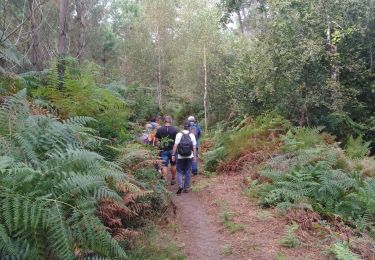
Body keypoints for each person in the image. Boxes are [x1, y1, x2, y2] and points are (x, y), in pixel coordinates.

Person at [172, 120, 197, 194]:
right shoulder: (192, 135)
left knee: (179, 171)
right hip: (190, 156)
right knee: (188, 171)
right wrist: (195, 156)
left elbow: (175, 146)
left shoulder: (179, 134)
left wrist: (173, 155)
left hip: (180, 156)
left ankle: (180, 186)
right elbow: (194, 147)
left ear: (183, 126)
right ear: (189, 127)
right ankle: (186, 188)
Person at [155, 115, 179, 185]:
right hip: (173, 150)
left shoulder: (160, 129)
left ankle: (165, 180)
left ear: (164, 121)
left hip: (163, 150)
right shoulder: (175, 129)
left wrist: (160, 146)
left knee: (164, 165)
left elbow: (157, 140)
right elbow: (177, 141)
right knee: (173, 164)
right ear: (170, 121)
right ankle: (173, 179)